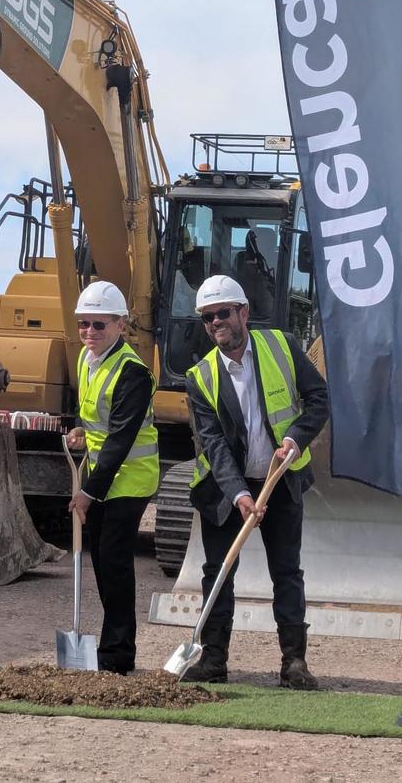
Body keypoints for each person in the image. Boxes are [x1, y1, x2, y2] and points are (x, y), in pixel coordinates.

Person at [183, 275, 329, 687]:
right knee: (218, 572)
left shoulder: (281, 347)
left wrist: (294, 440)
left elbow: (319, 399)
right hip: (224, 490)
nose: (216, 323)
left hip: (280, 480)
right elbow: (212, 444)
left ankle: (294, 663)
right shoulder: (201, 376)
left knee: (286, 571)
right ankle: (213, 661)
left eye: (223, 314)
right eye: (208, 317)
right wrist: (241, 495)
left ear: (243, 312)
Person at [65, 280, 159, 674]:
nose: (89, 332)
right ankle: (112, 648)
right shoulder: (89, 362)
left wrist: (87, 492)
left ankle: (119, 654)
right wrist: (80, 432)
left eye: (98, 324)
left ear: (121, 325)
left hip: (130, 479)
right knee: (103, 562)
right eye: (84, 323)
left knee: (115, 562)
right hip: (104, 476)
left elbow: (121, 439)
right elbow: (98, 421)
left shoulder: (132, 372)